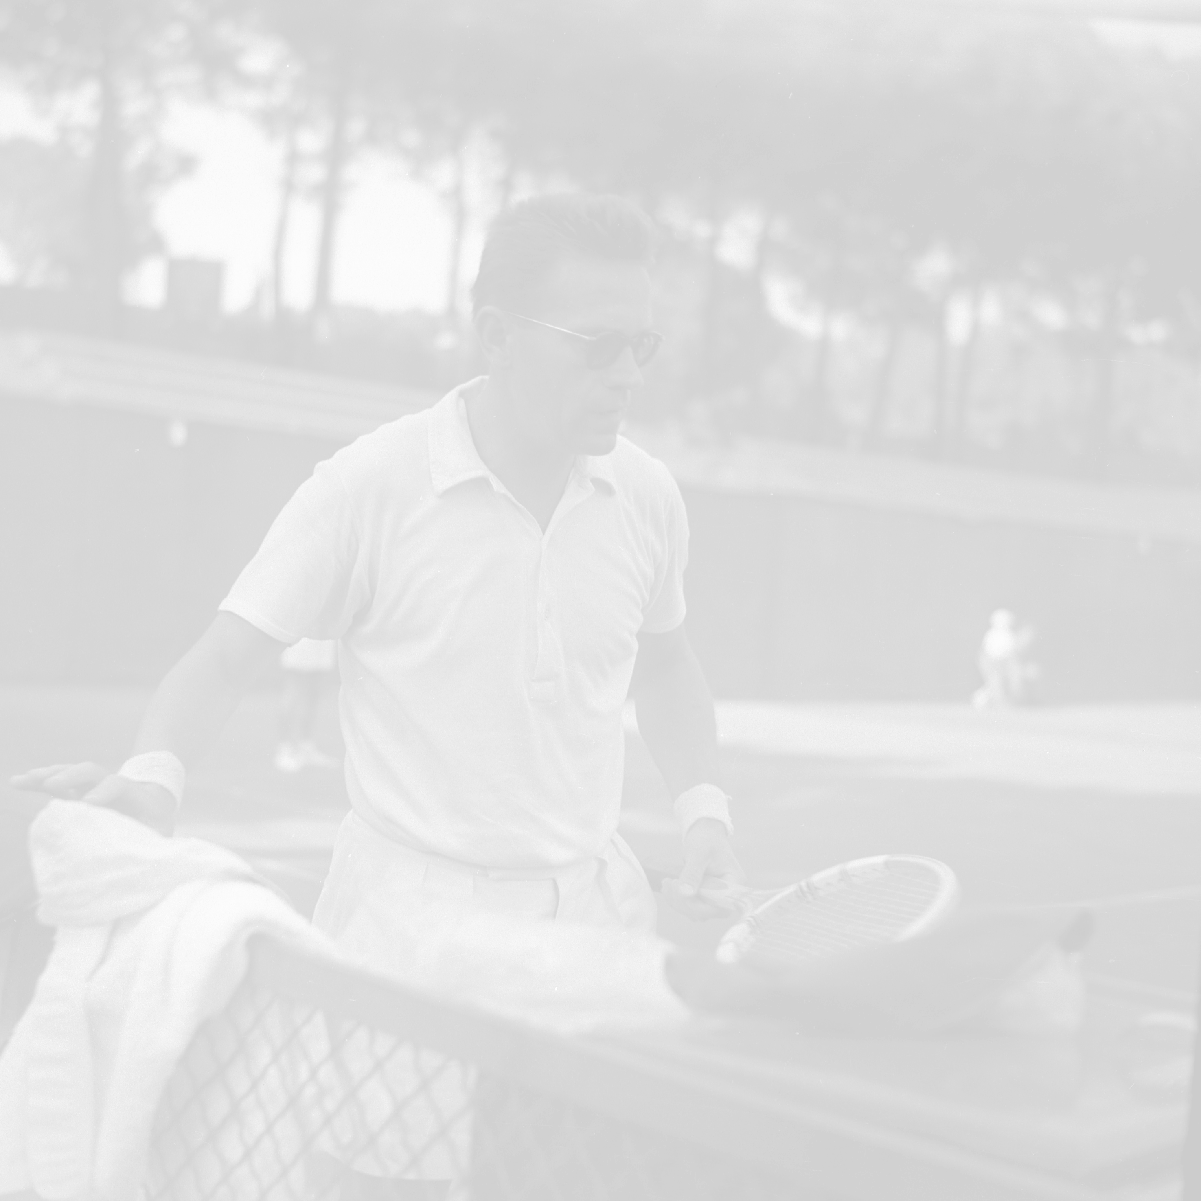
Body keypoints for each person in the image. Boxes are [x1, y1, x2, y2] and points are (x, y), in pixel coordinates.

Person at [12, 191, 745, 938]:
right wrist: (152, 781)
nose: (627, 374)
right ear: (497, 336)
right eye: (597, 344)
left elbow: (665, 665)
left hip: (591, 922)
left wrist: (703, 812)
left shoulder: (648, 495)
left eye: (640, 346)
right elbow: (226, 659)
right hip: (402, 925)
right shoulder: (366, 486)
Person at [274, 637, 339, 772]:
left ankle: (306, 747)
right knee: (294, 686)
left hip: (322, 636)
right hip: (300, 634)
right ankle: (285, 749)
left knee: (314, 690)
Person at [972, 608, 1039, 708]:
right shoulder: (995, 636)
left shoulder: (1009, 636)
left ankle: (1006, 702)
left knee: (1010, 682)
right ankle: (990, 701)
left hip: (1005, 668)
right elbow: (994, 660)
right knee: (996, 683)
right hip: (996, 666)